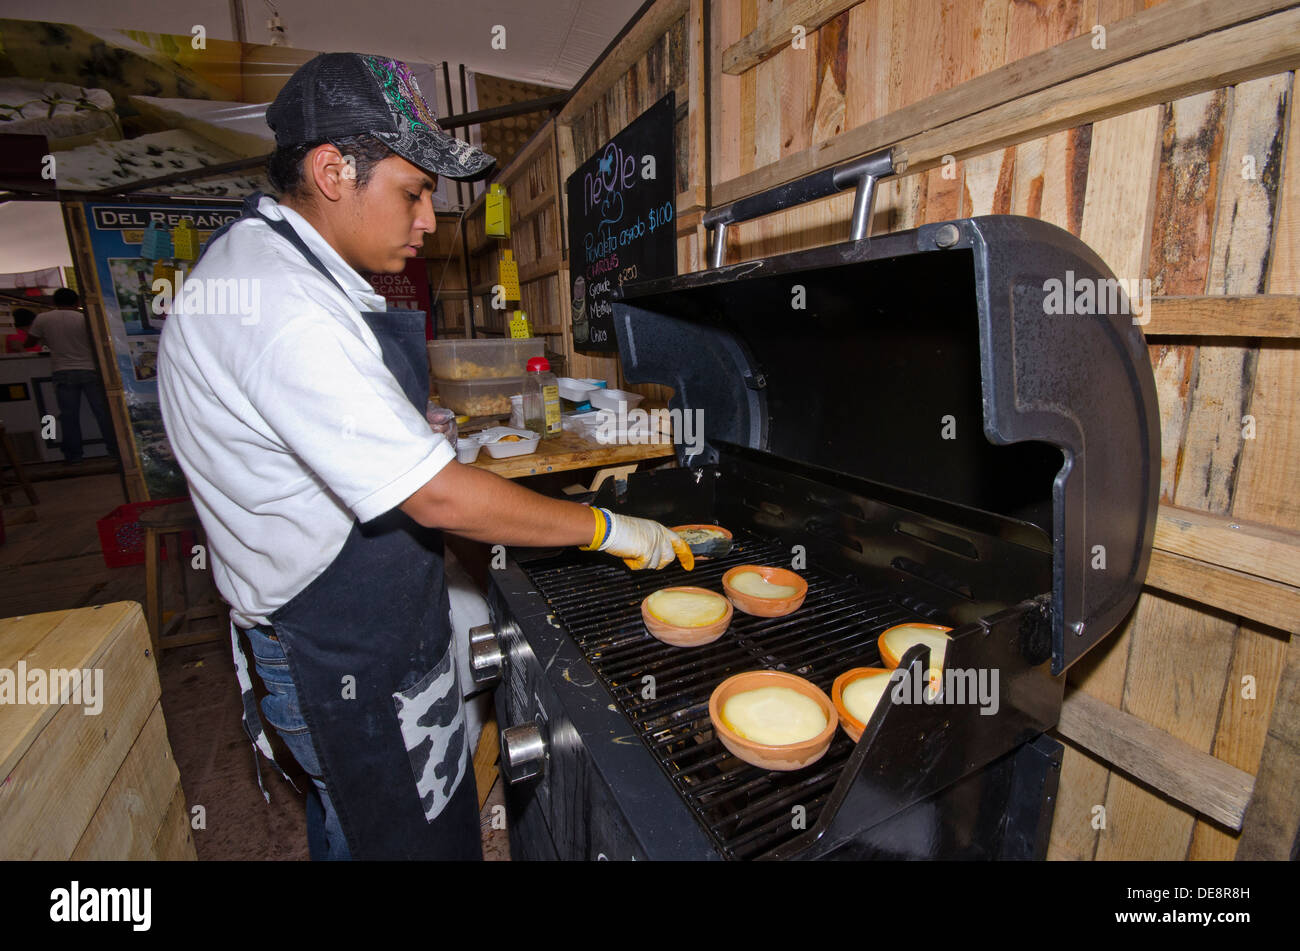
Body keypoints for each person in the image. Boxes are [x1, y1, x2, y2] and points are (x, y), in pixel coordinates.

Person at [156, 52, 693, 861]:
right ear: (332, 171)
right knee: (406, 843)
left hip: (350, 623)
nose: (429, 221)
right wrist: (606, 526)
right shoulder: (283, 305)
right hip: (338, 648)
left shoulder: (276, 266)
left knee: (353, 826)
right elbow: (437, 498)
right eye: (412, 193)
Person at [25, 289, 119, 462]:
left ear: (54, 302)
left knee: (68, 416)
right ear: (77, 302)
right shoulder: (85, 318)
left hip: (62, 370)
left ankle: (73, 456)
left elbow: (29, 342)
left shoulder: (43, 319)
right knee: (102, 413)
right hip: (90, 369)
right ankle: (115, 451)